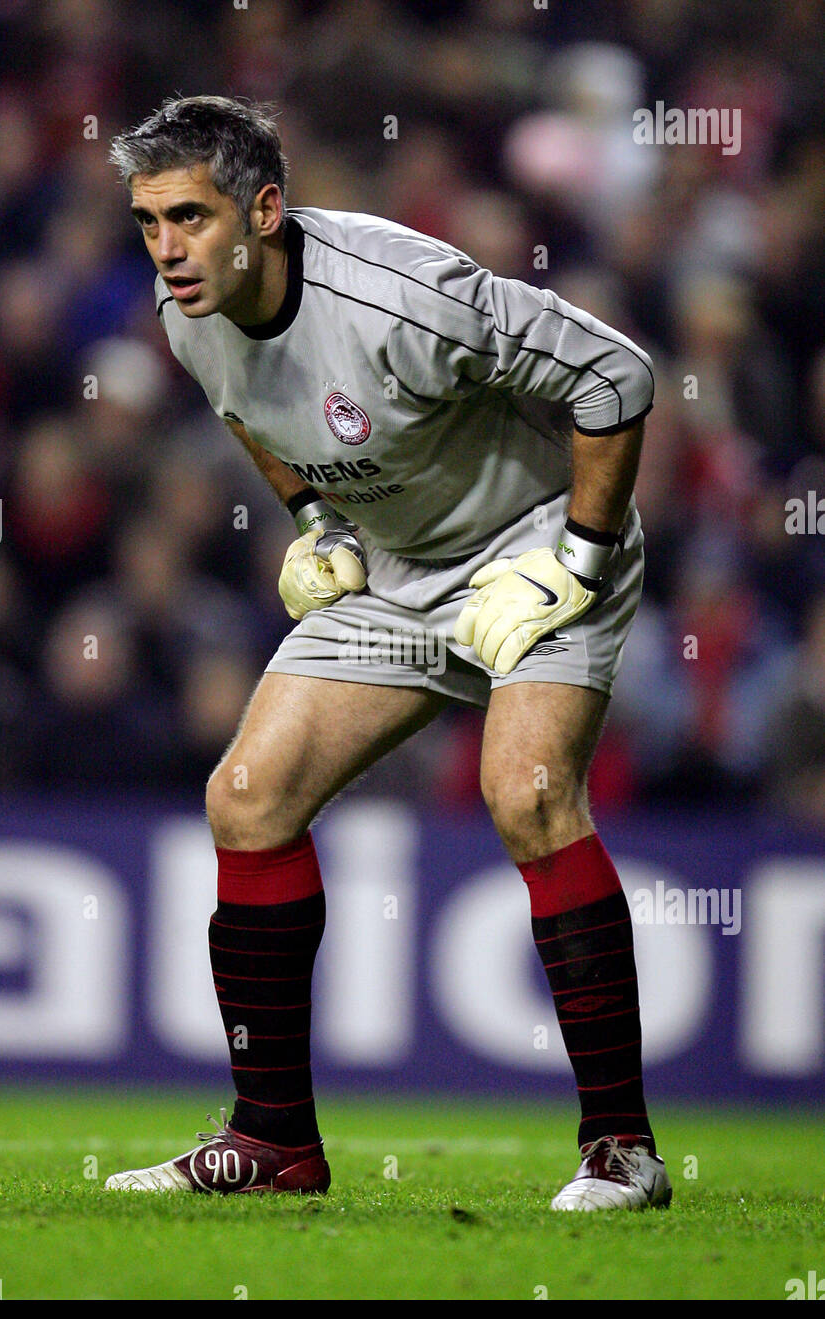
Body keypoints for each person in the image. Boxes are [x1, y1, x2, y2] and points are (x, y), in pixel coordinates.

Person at [104, 95, 671, 1211]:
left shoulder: (405, 293)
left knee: (527, 792)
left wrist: (581, 556)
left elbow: (618, 377)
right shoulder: (188, 312)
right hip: (396, 572)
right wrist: (315, 521)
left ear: (263, 210)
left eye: (188, 216)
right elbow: (247, 410)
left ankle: (622, 1148)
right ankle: (274, 1142)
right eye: (146, 220)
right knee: (247, 798)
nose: (165, 248)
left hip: (531, 552)